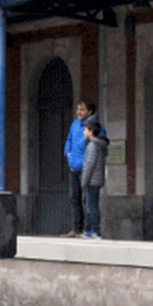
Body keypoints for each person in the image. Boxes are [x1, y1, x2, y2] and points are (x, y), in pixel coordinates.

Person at [64, 99, 95, 236]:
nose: (79, 112)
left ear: (90, 112)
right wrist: (68, 153)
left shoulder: (94, 126)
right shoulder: (75, 124)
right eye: (78, 109)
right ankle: (76, 229)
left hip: (87, 168)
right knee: (74, 198)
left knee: (87, 199)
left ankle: (88, 229)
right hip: (74, 167)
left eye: (82, 109)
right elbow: (69, 140)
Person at [80, 119, 108, 239]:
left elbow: (89, 165)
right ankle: (91, 230)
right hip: (96, 180)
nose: (84, 132)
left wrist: (84, 181)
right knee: (92, 205)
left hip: (92, 180)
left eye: (85, 130)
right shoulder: (98, 145)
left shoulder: (92, 146)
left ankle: (95, 230)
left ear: (91, 131)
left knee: (91, 206)